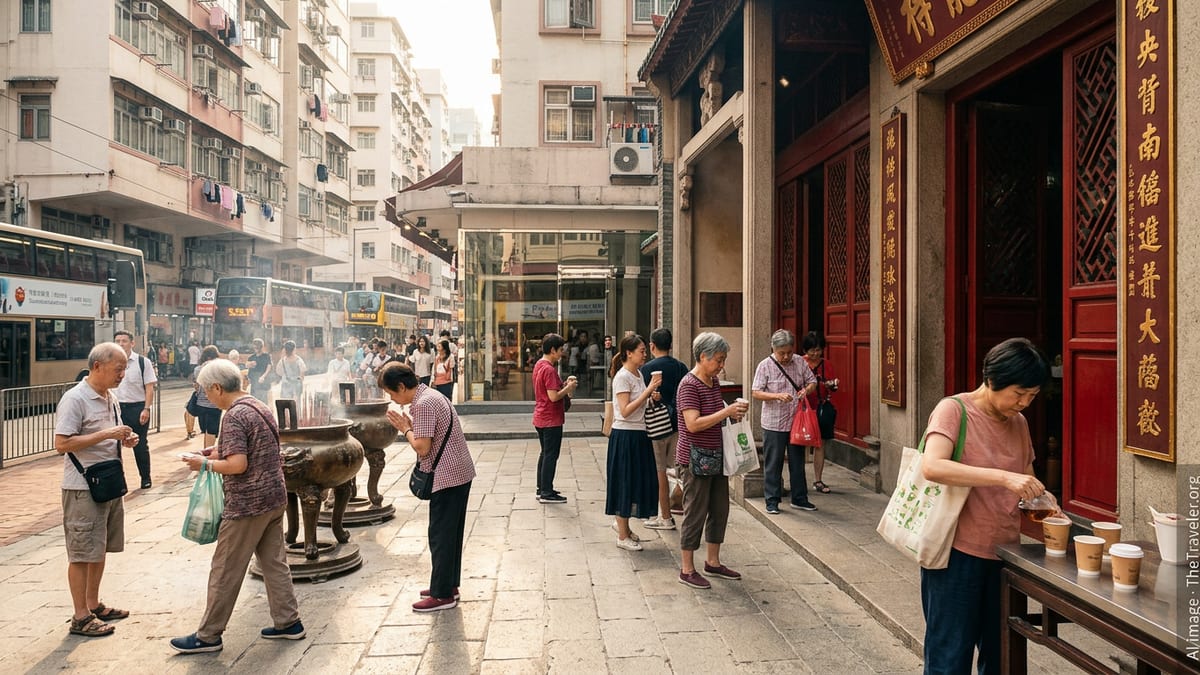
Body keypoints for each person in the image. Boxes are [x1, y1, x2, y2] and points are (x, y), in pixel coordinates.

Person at [919, 337, 1049, 674]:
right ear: (992, 380)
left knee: (1002, 654)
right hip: (956, 555)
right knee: (950, 656)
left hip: (1005, 554)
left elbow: (1027, 478)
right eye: (1018, 394)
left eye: (1031, 396)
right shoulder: (954, 410)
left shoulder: (1018, 422)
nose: (1023, 403)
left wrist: (1046, 505)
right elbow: (932, 466)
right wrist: (1003, 478)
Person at [171, 359, 305, 653]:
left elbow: (237, 464)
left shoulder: (232, 416)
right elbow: (249, 448)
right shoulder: (258, 405)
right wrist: (213, 451)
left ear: (217, 387)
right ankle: (288, 622)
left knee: (225, 569)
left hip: (247, 504)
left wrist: (203, 463)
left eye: (207, 391)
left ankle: (208, 635)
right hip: (273, 497)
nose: (207, 397)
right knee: (274, 563)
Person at [54, 342, 138, 638]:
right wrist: (108, 434)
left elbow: (107, 435)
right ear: (98, 366)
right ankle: (80, 617)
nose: (123, 375)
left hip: (108, 483)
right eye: (119, 369)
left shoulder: (110, 397)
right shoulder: (75, 398)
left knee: (99, 546)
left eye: (125, 369)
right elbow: (62, 444)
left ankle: (93, 604)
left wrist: (125, 439)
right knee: (80, 553)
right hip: (83, 487)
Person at [378, 363, 476, 612]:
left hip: (447, 476)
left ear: (401, 386)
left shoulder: (422, 404)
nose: (394, 399)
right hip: (459, 471)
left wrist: (405, 428)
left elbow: (422, 446)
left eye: (392, 394)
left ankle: (443, 595)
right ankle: (447, 585)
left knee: (441, 536)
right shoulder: (432, 395)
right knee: (449, 534)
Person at [675, 332, 749, 590]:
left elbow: (716, 416)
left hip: (717, 456)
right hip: (694, 459)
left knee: (719, 510)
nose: (721, 365)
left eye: (723, 359)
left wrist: (733, 415)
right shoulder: (688, 385)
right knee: (695, 512)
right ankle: (687, 568)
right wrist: (726, 411)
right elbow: (692, 424)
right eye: (718, 359)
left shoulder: (713, 382)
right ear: (703, 356)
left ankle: (713, 561)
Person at [751, 329, 819, 514]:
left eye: (789, 351)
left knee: (798, 462)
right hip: (773, 422)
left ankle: (800, 498)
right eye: (782, 353)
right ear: (773, 348)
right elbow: (755, 392)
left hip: (796, 421)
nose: (786, 356)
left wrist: (806, 390)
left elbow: (812, 381)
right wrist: (776, 396)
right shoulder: (765, 365)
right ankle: (772, 500)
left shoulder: (799, 361)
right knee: (774, 462)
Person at [607, 334, 661, 551]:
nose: (644, 354)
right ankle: (622, 534)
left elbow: (637, 406)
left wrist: (651, 398)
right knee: (624, 482)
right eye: (641, 351)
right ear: (629, 353)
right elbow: (626, 410)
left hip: (639, 433)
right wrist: (648, 391)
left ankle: (625, 528)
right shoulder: (622, 377)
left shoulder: (638, 373)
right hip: (625, 435)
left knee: (636, 480)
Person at [639, 328, 690, 530]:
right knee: (679, 470)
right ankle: (685, 506)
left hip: (656, 427)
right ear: (670, 345)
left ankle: (666, 516)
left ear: (652, 346)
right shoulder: (681, 367)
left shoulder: (645, 370)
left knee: (660, 472)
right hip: (679, 426)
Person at [532, 334, 577, 504]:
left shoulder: (539, 365)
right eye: (560, 350)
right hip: (551, 418)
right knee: (551, 454)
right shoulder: (549, 369)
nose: (562, 353)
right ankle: (546, 492)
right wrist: (569, 388)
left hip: (541, 416)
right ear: (552, 350)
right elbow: (553, 396)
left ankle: (542, 487)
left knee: (545, 453)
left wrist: (564, 385)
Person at [113, 331, 158, 490]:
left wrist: (146, 408)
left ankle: (145, 478)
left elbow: (149, 388)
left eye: (124, 341)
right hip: (116, 409)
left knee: (140, 445)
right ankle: (118, 483)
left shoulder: (142, 362)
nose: (120, 344)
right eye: (117, 340)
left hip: (137, 408)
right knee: (113, 447)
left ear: (132, 343)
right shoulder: (110, 362)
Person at [801, 331, 839, 494]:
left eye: (818, 349)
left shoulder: (826, 364)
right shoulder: (799, 363)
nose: (815, 353)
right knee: (800, 442)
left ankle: (818, 480)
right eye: (812, 350)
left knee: (820, 444)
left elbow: (832, 386)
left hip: (821, 408)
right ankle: (799, 479)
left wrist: (832, 385)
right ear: (805, 350)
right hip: (803, 409)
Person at [192, 346, 222, 448]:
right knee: (212, 431)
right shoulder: (219, 370)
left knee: (205, 430)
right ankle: (207, 453)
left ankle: (205, 451)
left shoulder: (197, 369)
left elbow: (196, 386)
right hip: (215, 404)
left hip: (201, 404)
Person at [246, 338, 273, 404]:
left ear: (261, 347)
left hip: (263, 384)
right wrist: (249, 364)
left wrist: (263, 376)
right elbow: (247, 366)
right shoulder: (251, 357)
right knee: (254, 402)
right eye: (255, 347)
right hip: (254, 384)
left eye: (258, 347)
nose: (256, 349)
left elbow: (269, 367)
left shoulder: (266, 356)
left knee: (263, 403)